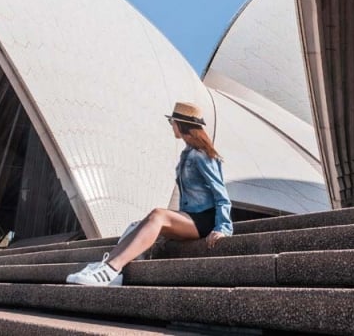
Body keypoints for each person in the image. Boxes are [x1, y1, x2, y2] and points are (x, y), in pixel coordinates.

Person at [66, 101, 233, 286]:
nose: (172, 127)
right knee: (135, 226)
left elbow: (221, 195)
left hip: (205, 220)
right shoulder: (187, 154)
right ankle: (107, 267)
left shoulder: (201, 155)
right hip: (191, 217)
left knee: (158, 214)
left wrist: (223, 228)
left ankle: (111, 270)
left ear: (181, 124)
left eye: (172, 123)